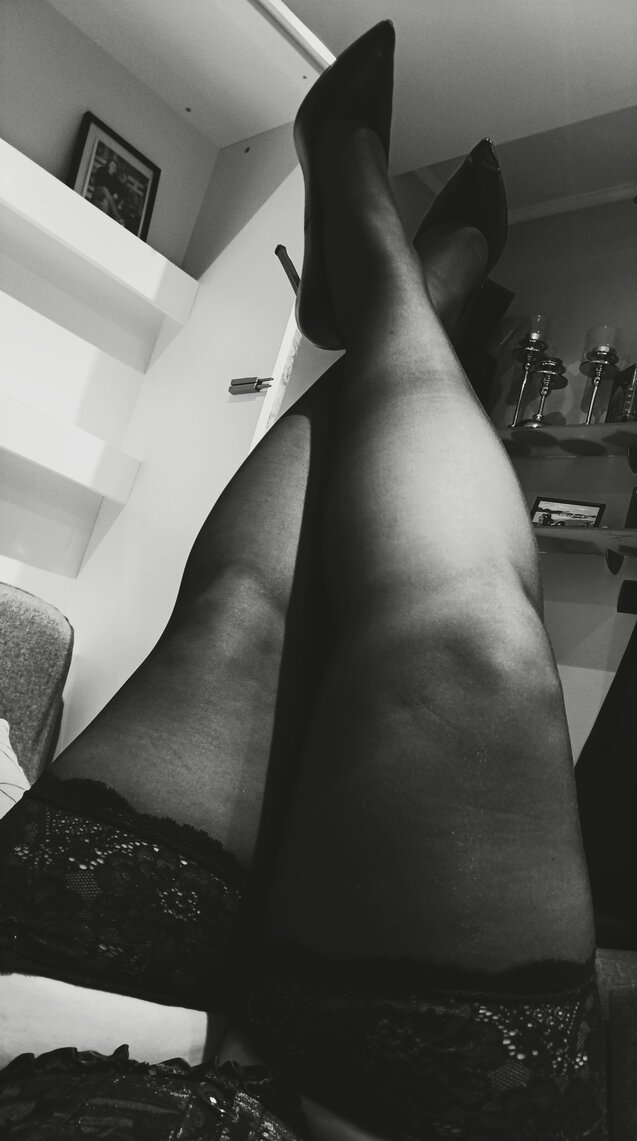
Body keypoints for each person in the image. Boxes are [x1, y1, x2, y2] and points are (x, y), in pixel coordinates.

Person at [0, 21, 606, 1140]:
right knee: (480, 655)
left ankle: (395, 266)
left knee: (240, 623)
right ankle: (399, 278)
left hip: (52, 1051)